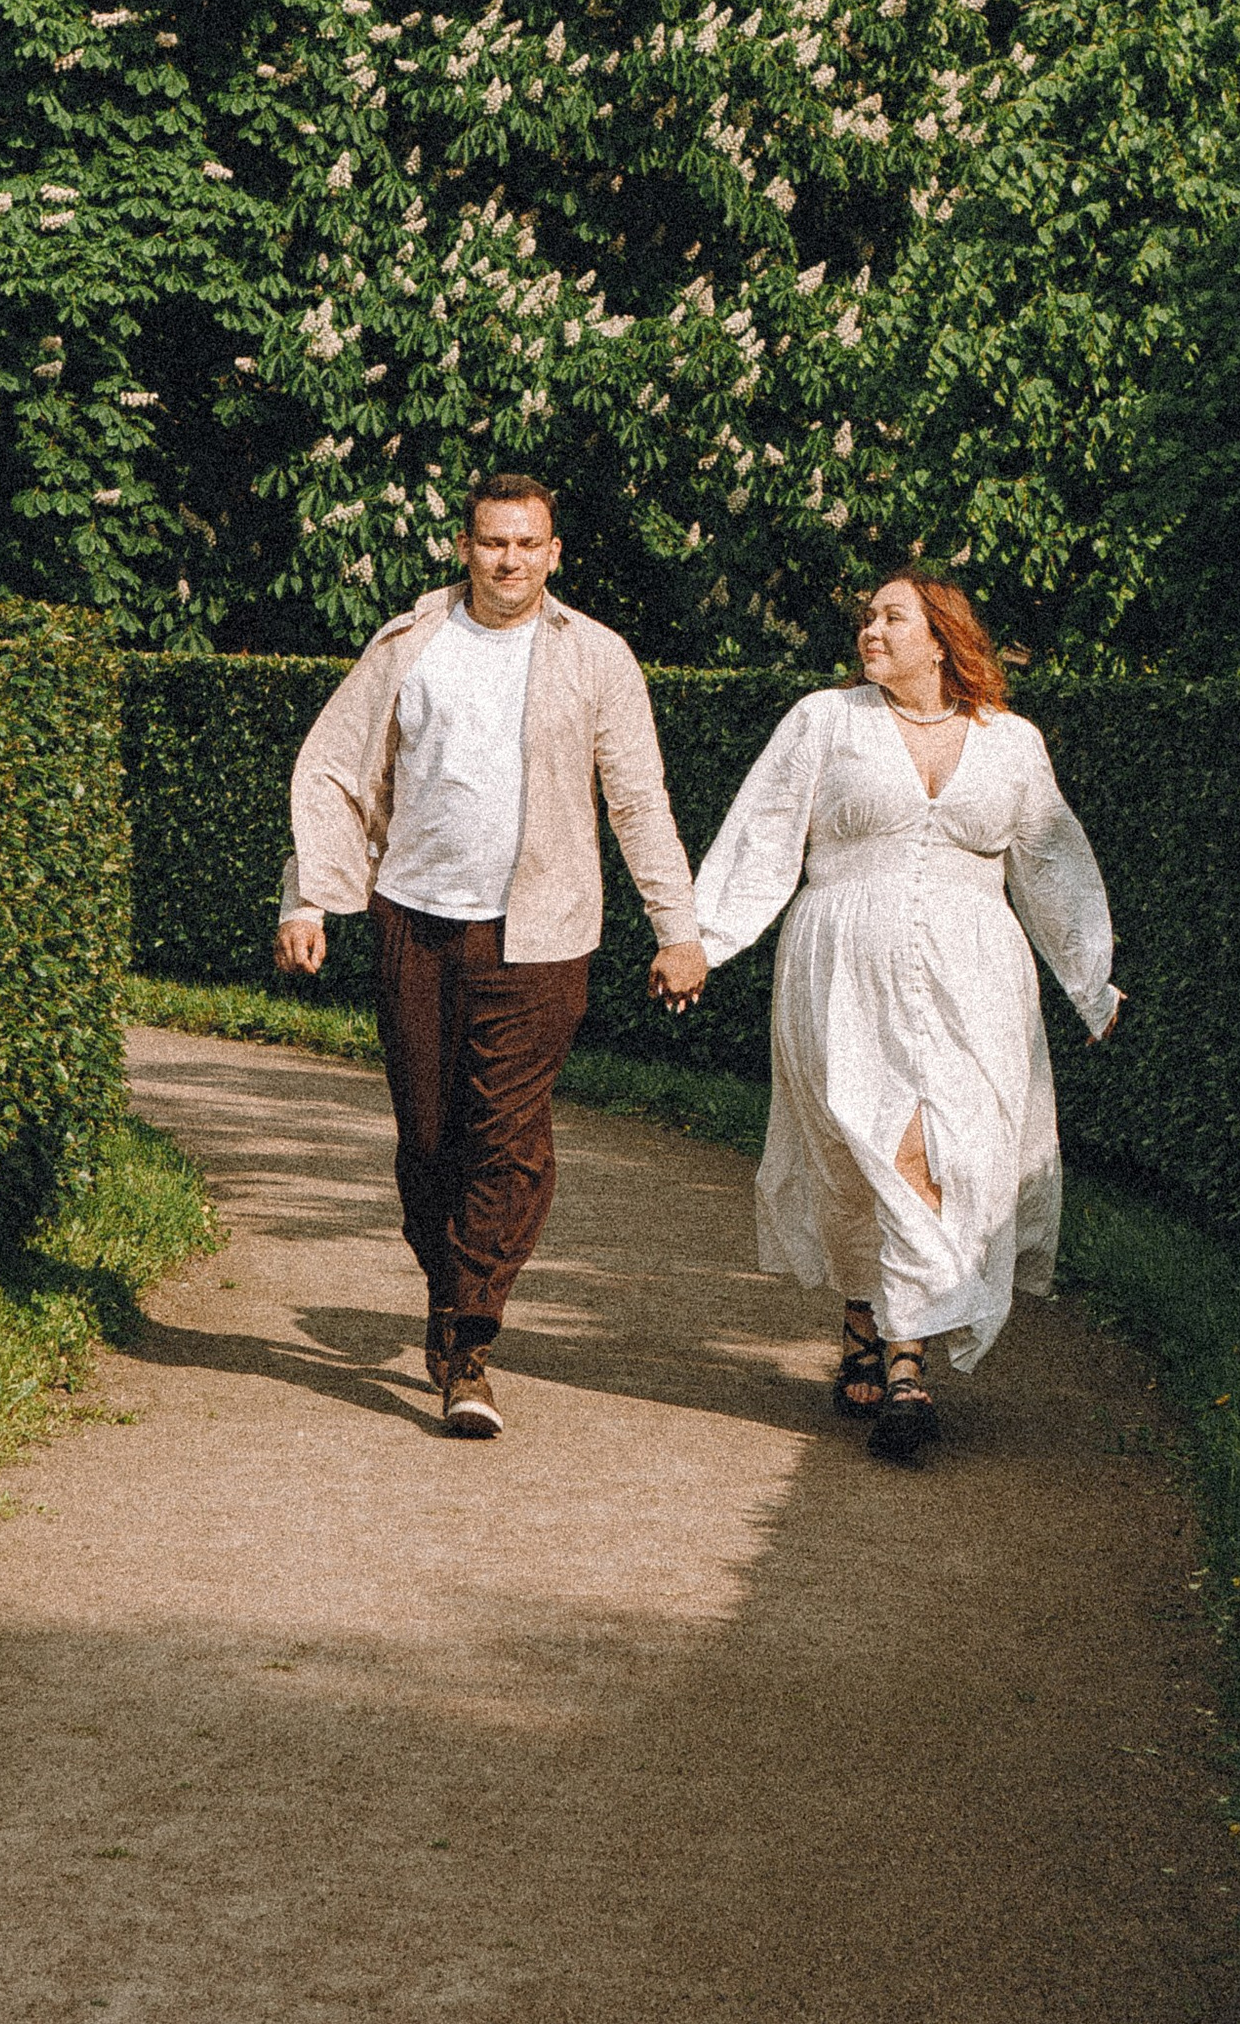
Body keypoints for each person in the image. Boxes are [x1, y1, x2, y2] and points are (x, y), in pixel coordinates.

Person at [274, 475, 709, 1438]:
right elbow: (338, 773)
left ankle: (470, 1343)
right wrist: (307, 896)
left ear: (555, 553)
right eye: (491, 542)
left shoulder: (597, 657)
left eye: (528, 543)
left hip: (541, 934)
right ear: (463, 548)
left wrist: (677, 929)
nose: (509, 560)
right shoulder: (408, 645)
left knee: (507, 1135)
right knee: (429, 1137)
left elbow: (638, 799)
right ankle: (447, 1294)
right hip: (415, 919)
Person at [690, 572, 1120, 1465]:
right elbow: (762, 834)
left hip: (978, 976)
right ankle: (868, 1325)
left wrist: (1090, 979)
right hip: (840, 965)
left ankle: (905, 1365)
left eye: (893, 617)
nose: (870, 631)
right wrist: (700, 941)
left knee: (940, 1147)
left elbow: (1050, 861)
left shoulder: (1011, 743)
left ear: (942, 638)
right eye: (867, 617)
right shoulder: (823, 721)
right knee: (856, 1153)